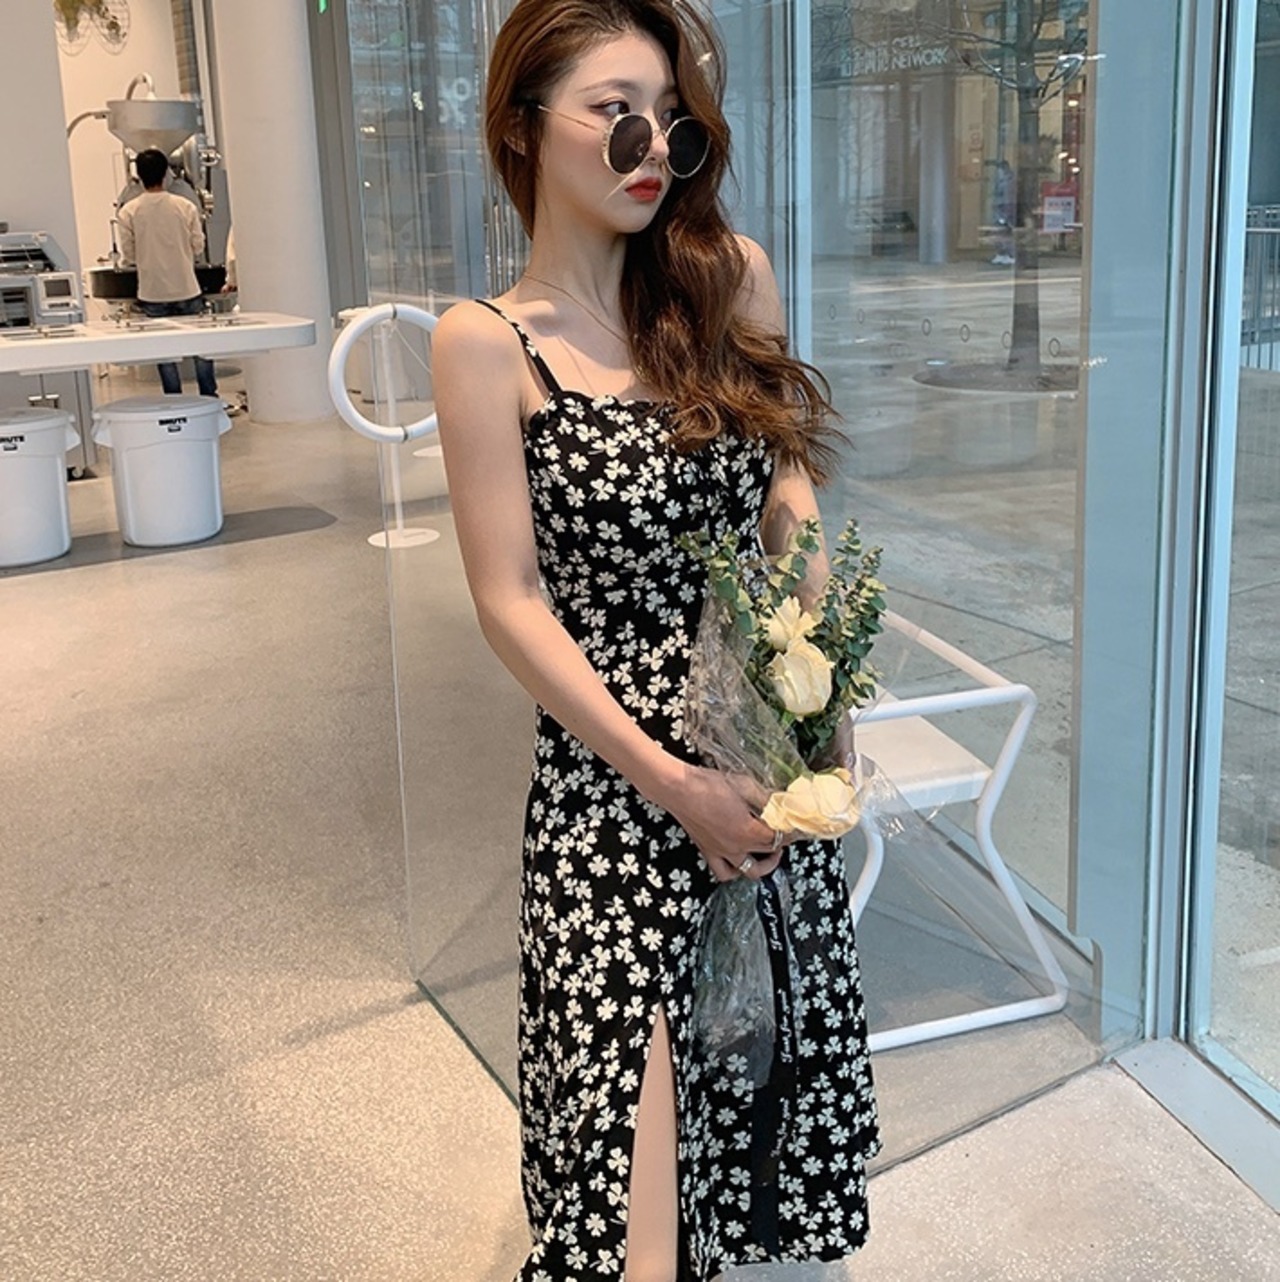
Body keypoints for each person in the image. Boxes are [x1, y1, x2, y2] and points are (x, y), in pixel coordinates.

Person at [433, 2, 880, 1279]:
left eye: (672, 122)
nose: (652, 148)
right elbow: (510, 599)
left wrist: (820, 691)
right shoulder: (486, 343)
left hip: (753, 750)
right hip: (612, 782)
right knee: (632, 1142)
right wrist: (668, 779)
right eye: (614, 113)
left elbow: (785, 493)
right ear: (524, 127)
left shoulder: (726, 278)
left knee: (753, 1092)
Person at [116, 148, 218, 398]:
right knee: (200, 346)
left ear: (139, 175)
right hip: (186, 287)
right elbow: (198, 246)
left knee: (164, 351)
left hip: (152, 292)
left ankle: (174, 399)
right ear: (166, 173)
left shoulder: (128, 211)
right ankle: (209, 397)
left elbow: (128, 255)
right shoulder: (185, 206)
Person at [992, 157, 1016, 266]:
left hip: (1004, 210)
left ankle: (1009, 254)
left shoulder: (1008, 182)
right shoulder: (1004, 181)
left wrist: (1006, 214)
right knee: (1001, 233)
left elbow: (1008, 198)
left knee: (1005, 233)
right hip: (1001, 209)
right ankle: (1003, 253)